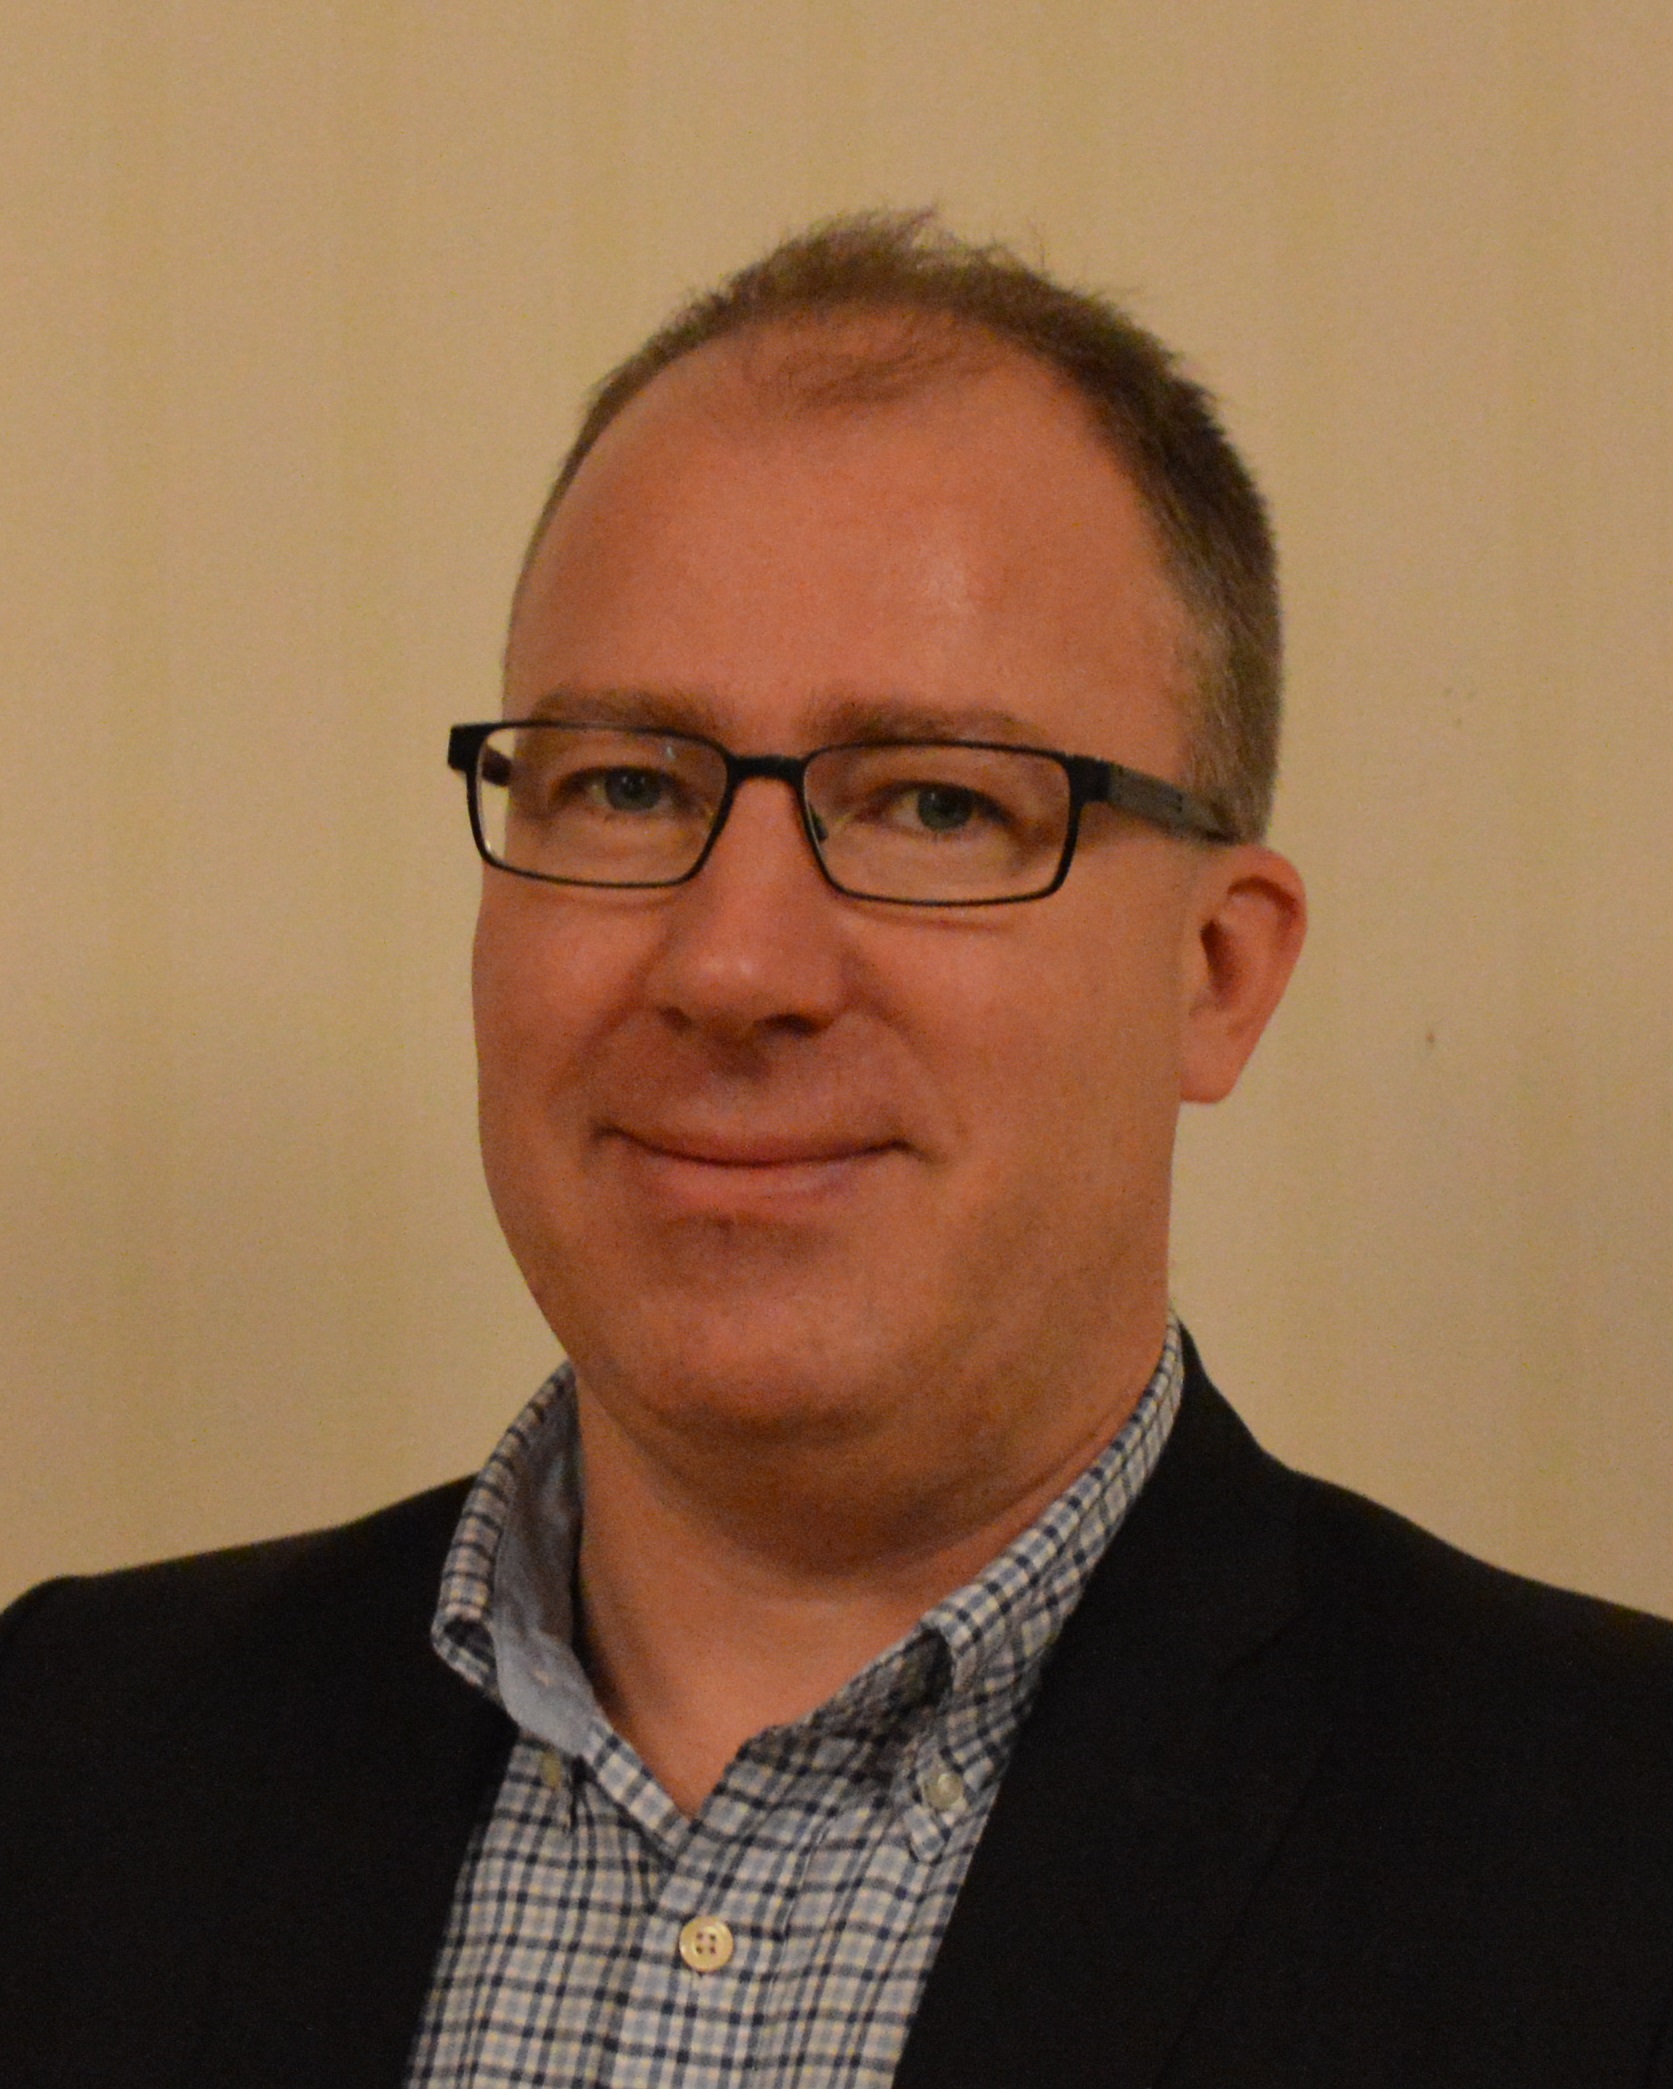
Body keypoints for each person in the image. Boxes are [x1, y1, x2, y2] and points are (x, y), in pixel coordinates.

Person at [2, 212, 1670, 2089]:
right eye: (625, 784)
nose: (734, 967)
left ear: (1215, 972)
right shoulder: (63, 1763)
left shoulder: (1615, 1866)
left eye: (934, 805)